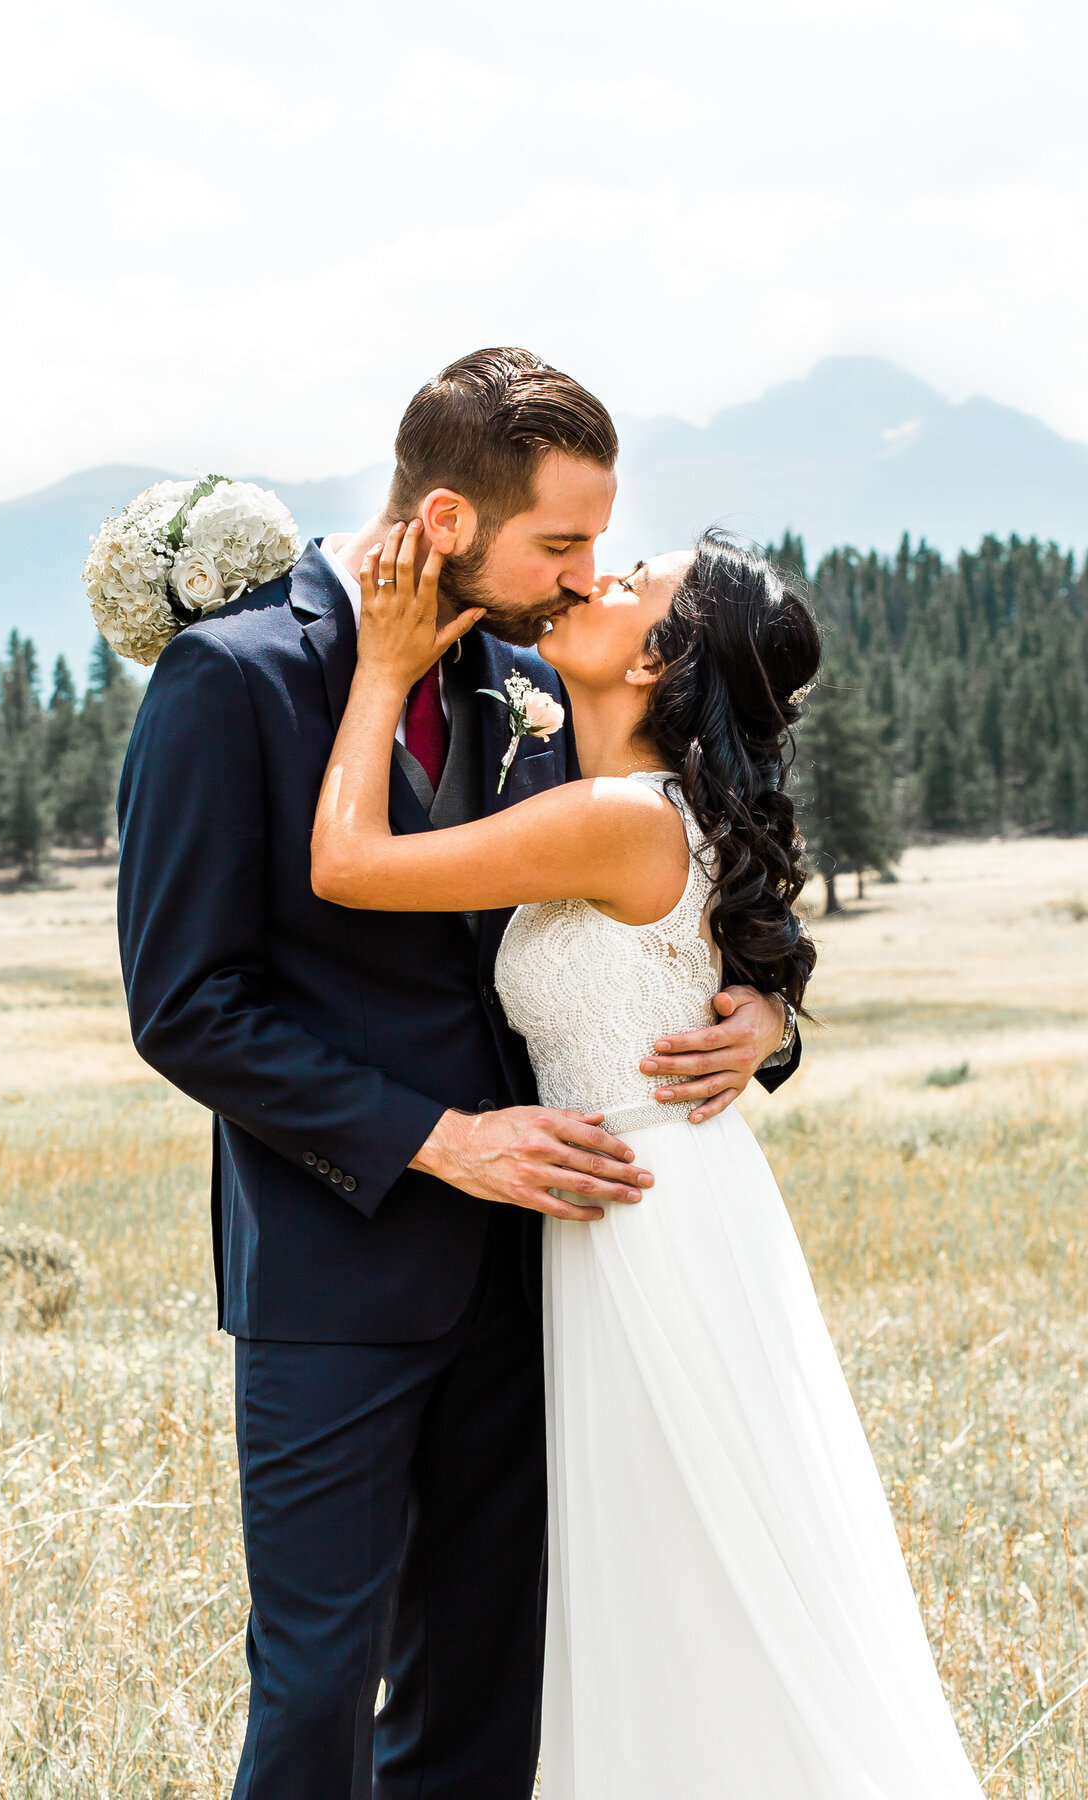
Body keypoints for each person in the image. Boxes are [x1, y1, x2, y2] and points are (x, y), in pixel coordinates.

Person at [116, 347, 796, 1800]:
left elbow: (679, 864)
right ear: (444, 522)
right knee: (314, 1687)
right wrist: (437, 1139)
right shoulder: (229, 678)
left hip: (544, 1272)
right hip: (335, 1267)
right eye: (561, 543)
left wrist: (766, 1017)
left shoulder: (536, 682)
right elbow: (185, 1008)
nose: (580, 579)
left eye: (603, 550)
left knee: (489, 1688)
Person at [310, 521, 986, 1797]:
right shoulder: (625, 798)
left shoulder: (621, 816)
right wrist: (768, 1008)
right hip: (653, 1204)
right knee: (680, 1563)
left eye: (633, 585)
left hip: (647, 1223)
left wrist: (384, 669)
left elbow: (346, 863)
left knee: (683, 1557)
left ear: (655, 666)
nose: (594, 577)